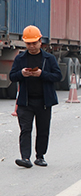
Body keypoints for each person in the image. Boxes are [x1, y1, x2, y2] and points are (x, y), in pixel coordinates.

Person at [9, 25, 62, 168]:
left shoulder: (48, 58)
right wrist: (22, 74)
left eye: (34, 43)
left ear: (40, 41)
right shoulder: (20, 58)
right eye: (28, 44)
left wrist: (42, 74)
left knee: (43, 129)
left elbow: (58, 76)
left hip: (44, 101)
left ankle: (40, 156)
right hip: (26, 102)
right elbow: (12, 77)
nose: (31, 46)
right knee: (25, 129)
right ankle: (25, 158)